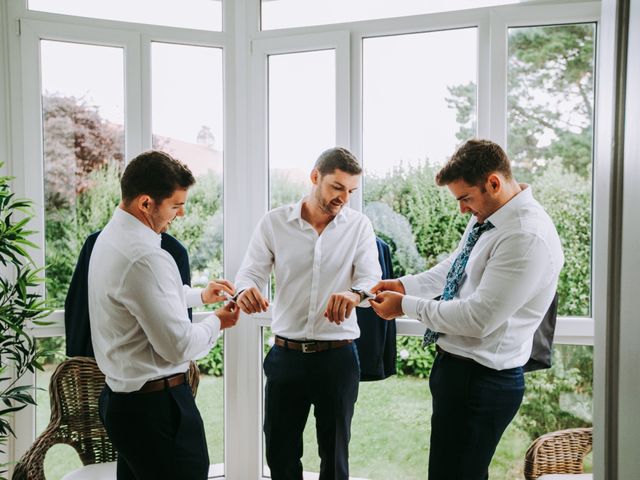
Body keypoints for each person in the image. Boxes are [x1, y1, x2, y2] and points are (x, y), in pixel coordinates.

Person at [370, 139, 564, 479]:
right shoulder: (491, 216)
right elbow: (456, 267)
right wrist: (405, 285)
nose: (461, 209)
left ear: (493, 182)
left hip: (483, 383)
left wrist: (404, 306)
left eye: (465, 198)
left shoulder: (525, 235)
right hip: (459, 372)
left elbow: (478, 319)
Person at [88, 150, 240, 480]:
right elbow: (178, 346)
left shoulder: (109, 240)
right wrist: (217, 321)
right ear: (145, 203)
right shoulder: (144, 256)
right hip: (158, 410)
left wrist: (200, 295)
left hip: (123, 404)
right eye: (175, 205)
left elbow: (142, 297)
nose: (181, 213)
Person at [234, 147, 381, 480]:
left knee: (335, 455)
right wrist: (245, 290)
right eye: (337, 187)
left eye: (351, 191)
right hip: (286, 357)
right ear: (315, 177)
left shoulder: (358, 226)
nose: (344, 198)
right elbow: (249, 273)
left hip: (338, 357)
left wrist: (354, 293)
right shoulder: (274, 222)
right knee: (280, 452)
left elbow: (370, 278)